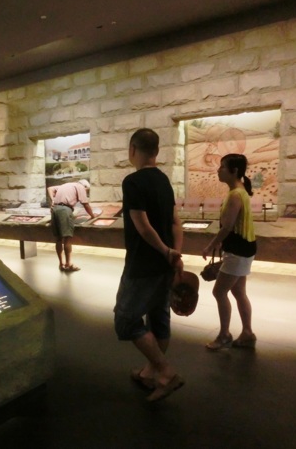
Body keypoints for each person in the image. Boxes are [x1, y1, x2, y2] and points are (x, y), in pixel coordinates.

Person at [114, 128, 185, 402]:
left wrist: (166, 251)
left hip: (142, 264)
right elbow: (175, 222)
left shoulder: (132, 182)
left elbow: (142, 227)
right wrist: (175, 254)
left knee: (125, 320)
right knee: (158, 318)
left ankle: (166, 372)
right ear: (156, 150)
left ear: (133, 149)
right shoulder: (164, 180)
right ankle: (149, 373)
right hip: (164, 264)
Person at [202, 153, 257, 350]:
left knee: (219, 291)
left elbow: (227, 227)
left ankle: (224, 335)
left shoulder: (235, 195)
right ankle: (247, 332)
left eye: (222, 167)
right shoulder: (240, 192)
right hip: (244, 247)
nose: (218, 170)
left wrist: (211, 245)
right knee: (239, 291)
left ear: (234, 171)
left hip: (237, 250)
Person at [47, 179, 95, 272]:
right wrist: (93, 216)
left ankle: (61, 264)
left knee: (58, 239)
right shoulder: (80, 187)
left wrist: (53, 200)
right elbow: (85, 204)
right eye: (87, 191)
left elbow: (50, 188)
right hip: (65, 210)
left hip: (55, 209)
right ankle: (68, 264)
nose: (86, 192)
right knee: (67, 238)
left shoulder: (66, 185)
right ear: (85, 187)